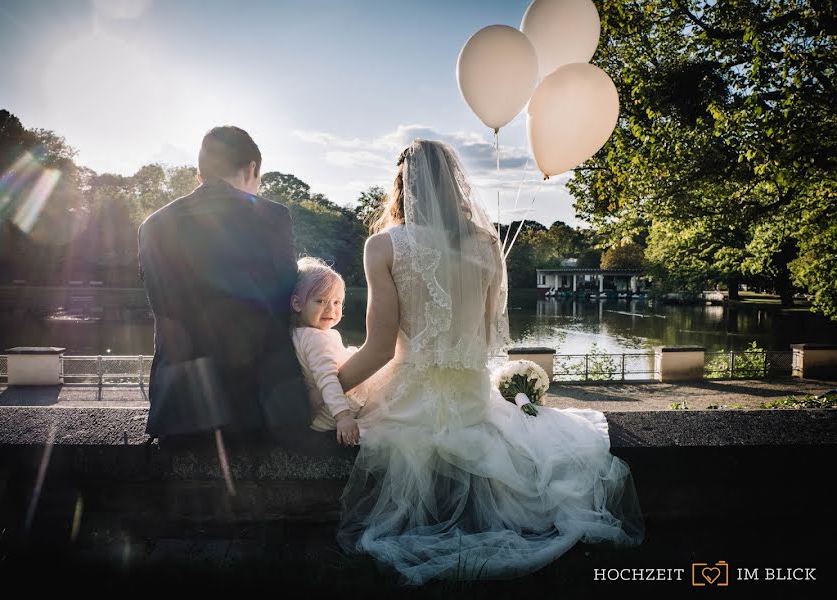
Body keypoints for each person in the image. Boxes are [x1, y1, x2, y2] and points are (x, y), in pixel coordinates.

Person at [335, 140, 645, 584]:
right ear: (454, 184)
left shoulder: (383, 245)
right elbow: (483, 339)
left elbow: (380, 349)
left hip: (410, 400)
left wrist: (329, 385)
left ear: (401, 184)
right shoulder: (485, 244)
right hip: (470, 399)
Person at [137, 126, 310, 450]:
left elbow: (162, 306)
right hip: (259, 413)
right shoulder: (271, 216)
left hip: (179, 413)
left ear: (200, 173)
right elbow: (286, 297)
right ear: (252, 169)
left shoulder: (153, 225)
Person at [290, 257, 366, 447]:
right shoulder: (316, 338)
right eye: (321, 300)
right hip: (334, 412)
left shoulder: (299, 334)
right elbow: (327, 378)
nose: (330, 309)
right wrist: (343, 417)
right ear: (298, 304)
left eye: (337, 302)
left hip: (321, 415)